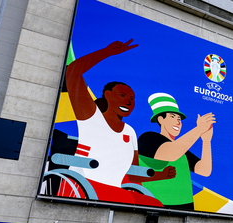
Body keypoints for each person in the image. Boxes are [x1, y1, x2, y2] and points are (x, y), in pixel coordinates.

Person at [62, 39, 175, 207]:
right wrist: (107, 52)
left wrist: (161, 175)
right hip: (83, 187)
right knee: (152, 205)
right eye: (122, 96)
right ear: (107, 94)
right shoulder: (91, 117)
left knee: (153, 203)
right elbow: (72, 72)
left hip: (113, 192)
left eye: (132, 99)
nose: (128, 102)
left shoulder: (129, 132)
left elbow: (134, 175)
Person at [138, 93, 214, 210]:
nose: (178, 122)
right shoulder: (148, 138)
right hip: (155, 207)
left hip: (185, 208)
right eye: (172, 117)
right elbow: (169, 154)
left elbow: (204, 170)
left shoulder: (181, 150)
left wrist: (206, 140)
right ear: (160, 119)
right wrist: (199, 129)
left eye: (179, 119)